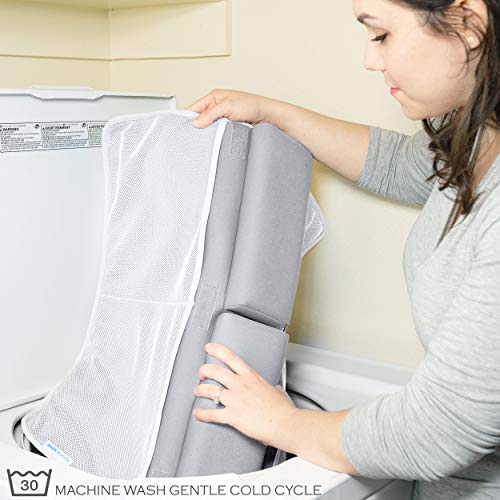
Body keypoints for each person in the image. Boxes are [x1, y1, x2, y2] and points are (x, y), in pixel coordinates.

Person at [187, 0, 500, 498]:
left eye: (381, 35)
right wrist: (272, 113)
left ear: (469, 24)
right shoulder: (482, 139)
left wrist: (280, 422)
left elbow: (437, 431)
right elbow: (400, 165)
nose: (370, 60)